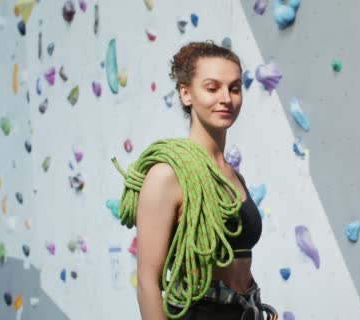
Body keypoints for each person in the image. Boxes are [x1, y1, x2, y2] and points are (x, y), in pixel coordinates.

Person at [113, 41, 277, 320]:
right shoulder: (167, 175)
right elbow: (147, 284)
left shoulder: (234, 176)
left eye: (234, 88)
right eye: (212, 88)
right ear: (186, 94)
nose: (226, 98)